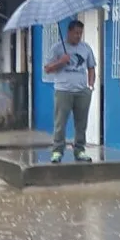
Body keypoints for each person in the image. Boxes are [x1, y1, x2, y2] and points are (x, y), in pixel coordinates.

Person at [43, 20, 96, 164]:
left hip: (82, 91)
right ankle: (57, 151)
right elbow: (47, 68)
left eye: (80, 33)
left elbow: (91, 67)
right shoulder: (57, 48)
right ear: (69, 32)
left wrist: (90, 86)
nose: (78, 36)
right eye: (76, 33)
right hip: (63, 91)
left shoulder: (86, 48)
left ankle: (79, 150)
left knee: (81, 123)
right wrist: (61, 61)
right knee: (60, 123)